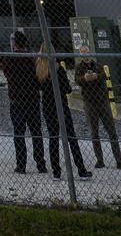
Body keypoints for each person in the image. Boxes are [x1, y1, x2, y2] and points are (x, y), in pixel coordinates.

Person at [37, 50, 91, 181]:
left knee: (53, 138)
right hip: (61, 105)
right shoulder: (58, 69)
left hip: (48, 106)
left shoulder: (40, 70)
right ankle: (81, 169)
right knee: (71, 138)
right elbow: (67, 88)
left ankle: (56, 172)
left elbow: (39, 87)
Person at [2, 30, 46, 175]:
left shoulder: (10, 58)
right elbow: (38, 76)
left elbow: (8, 75)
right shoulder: (32, 58)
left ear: (14, 43)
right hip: (32, 99)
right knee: (36, 132)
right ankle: (41, 164)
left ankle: (21, 165)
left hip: (17, 99)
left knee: (19, 133)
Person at [76, 50, 121, 170]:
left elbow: (104, 76)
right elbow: (77, 80)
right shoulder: (79, 68)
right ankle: (99, 159)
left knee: (112, 131)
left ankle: (119, 160)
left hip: (102, 101)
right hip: (89, 102)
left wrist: (96, 76)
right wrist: (85, 78)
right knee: (94, 132)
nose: (86, 56)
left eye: (87, 53)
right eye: (83, 54)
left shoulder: (98, 66)